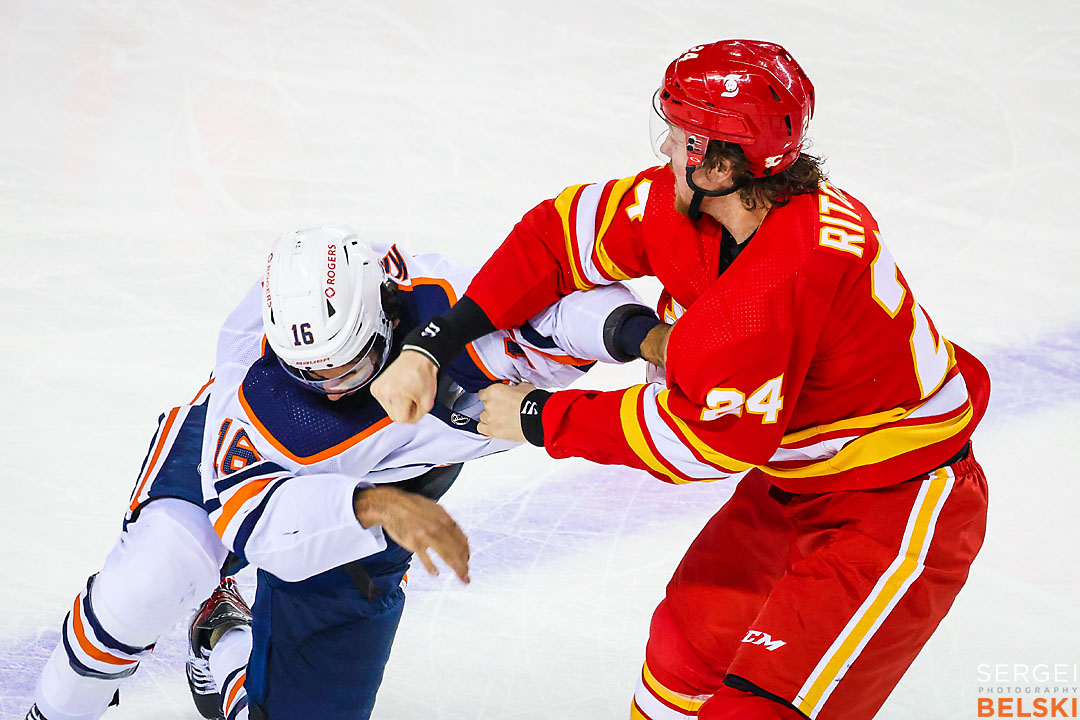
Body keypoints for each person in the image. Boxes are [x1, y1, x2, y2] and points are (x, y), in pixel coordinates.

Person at [371, 40, 991, 720]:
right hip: (794, 487)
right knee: (682, 654)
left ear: (721, 163)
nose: (665, 148)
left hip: (891, 507)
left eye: (679, 136)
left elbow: (706, 439)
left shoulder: (778, 282)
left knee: (759, 707)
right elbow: (556, 239)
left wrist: (537, 417)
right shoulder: (703, 211)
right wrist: (434, 345)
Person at [26, 226, 650, 720]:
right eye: (312, 375)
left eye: (347, 370)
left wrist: (647, 340)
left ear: (385, 316)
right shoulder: (260, 396)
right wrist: (375, 506)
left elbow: (561, 309)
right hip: (264, 486)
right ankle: (50, 712)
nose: (329, 394)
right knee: (148, 579)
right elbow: (249, 520)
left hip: (386, 506)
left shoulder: (448, 307)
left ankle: (223, 649)